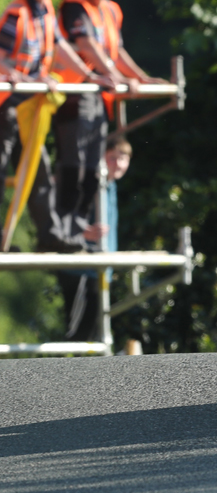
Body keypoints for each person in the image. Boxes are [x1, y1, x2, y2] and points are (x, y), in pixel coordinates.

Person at [0, 0, 108, 253]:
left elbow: (60, 47)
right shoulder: (16, 14)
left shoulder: (46, 11)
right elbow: (0, 58)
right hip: (5, 106)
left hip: (28, 106)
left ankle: (49, 235)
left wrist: (90, 75)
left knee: (38, 170)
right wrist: (22, 77)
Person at [57, 0, 164, 240]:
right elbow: (87, 45)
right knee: (74, 164)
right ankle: (66, 230)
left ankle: (79, 231)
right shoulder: (75, 6)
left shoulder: (112, 10)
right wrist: (116, 77)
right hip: (75, 93)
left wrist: (141, 78)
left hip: (99, 96)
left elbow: (115, 52)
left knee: (94, 167)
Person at [58, 136, 131, 342]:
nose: (118, 164)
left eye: (123, 158)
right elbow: (61, 218)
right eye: (112, 158)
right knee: (77, 334)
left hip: (100, 269)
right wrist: (82, 232)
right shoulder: (89, 183)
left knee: (92, 333)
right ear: (101, 158)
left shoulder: (110, 186)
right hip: (82, 267)